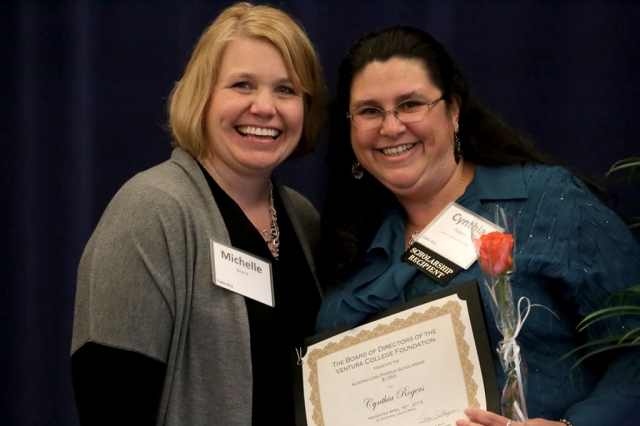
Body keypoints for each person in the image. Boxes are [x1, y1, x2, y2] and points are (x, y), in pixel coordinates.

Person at [315, 26, 640, 426]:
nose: (391, 127)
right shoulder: (345, 238)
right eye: (369, 111)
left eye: (411, 104)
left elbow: (633, 347)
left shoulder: (549, 201)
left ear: (453, 110)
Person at [70, 3, 325, 425]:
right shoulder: (150, 211)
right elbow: (110, 400)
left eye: (286, 89)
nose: (265, 107)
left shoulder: (304, 219)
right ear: (202, 96)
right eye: (242, 85)